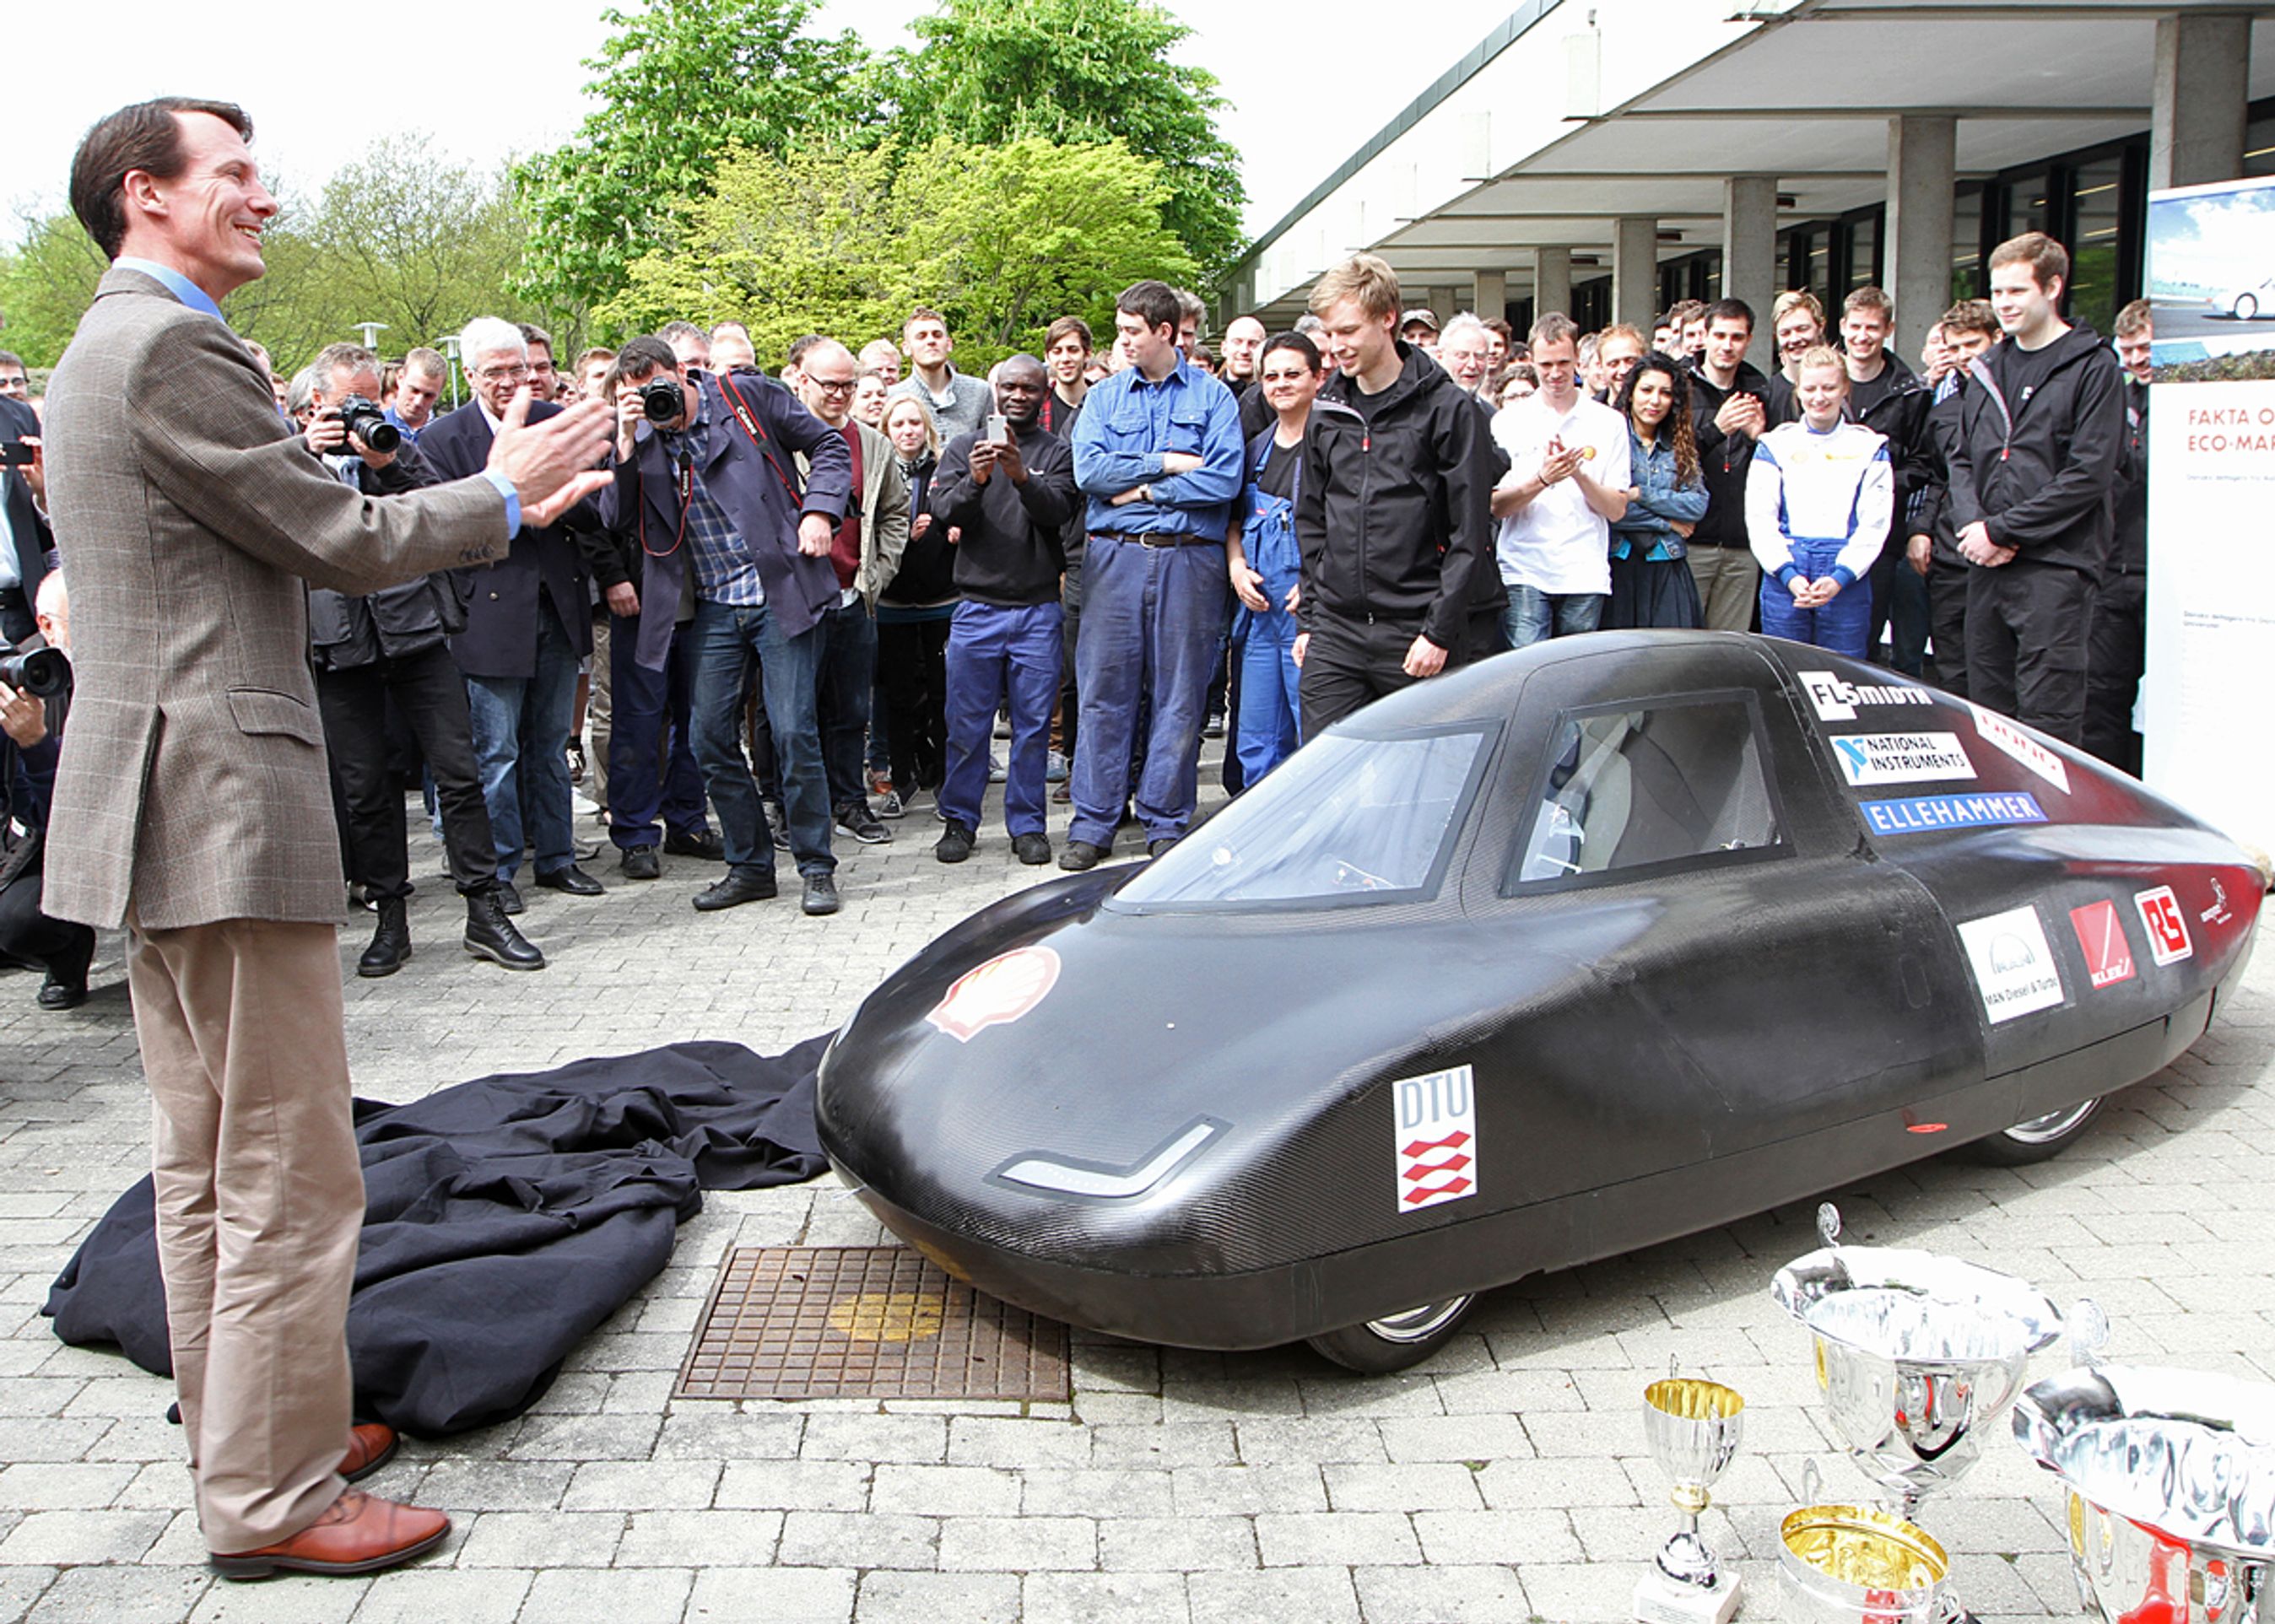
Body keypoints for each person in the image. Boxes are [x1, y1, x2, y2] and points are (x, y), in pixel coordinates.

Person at [43, 95, 610, 1578]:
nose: (265, 197)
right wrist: (508, 490)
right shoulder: (167, 344)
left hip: (161, 805)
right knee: (290, 1172)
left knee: (210, 1163)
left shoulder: (116, 342)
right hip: (219, 803)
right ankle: (276, 1497)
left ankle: (253, 1434)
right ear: (145, 196)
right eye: (233, 173)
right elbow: (341, 543)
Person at [301, 343, 541, 975]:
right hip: (339, 640)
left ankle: (485, 909)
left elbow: (442, 503)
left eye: (368, 398)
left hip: (415, 629)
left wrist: (386, 459)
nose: (358, 412)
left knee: (459, 773)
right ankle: (390, 916)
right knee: (365, 789)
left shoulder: (400, 445)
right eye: (344, 402)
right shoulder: (292, 456)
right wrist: (305, 453)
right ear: (316, 403)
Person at [601, 335, 855, 915]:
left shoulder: (745, 396)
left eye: (659, 391)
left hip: (781, 588)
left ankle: (816, 866)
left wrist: (820, 510)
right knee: (707, 736)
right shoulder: (642, 437)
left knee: (793, 731)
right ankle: (751, 866)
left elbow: (830, 445)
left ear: (682, 373)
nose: (654, 405)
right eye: (639, 399)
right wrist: (624, 440)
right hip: (715, 602)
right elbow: (615, 517)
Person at [420, 318, 610, 914]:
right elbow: (436, 530)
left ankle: (558, 858)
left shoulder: (557, 424)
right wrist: (506, 505)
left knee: (551, 744)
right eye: (496, 372)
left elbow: (599, 509)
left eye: (519, 369)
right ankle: (497, 870)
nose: (511, 382)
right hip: (489, 615)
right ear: (470, 375)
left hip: (556, 603)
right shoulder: (443, 440)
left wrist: (560, 500)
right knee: (495, 753)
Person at [1063, 279, 1243, 868]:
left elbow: (1223, 480)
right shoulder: (1105, 397)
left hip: (1191, 559)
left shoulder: (1215, 399)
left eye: (1131, 331)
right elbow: (1090, 472)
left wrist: (1137, 489)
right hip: (1115, 558)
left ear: (1165, 332)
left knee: (1181, 693)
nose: (1122, 341)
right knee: (1103, 692)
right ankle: (1093, 822)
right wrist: (1163, 465)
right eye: (1120, 331)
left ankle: (1166, 819)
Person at [1297, 255, 1499, 733]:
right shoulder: (1326, 409)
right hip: (1336, 631)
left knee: (1424, 785)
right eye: (1329, 333)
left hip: (1417, 631)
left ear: (1388, 320)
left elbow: (1469, 531)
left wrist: (1438, 631)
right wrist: (1309, 619)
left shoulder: (1448, 409)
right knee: (1323, 779)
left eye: (1347, 331)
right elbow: (1311, 520)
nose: (1335, 347)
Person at [1945, 232, 2125, 744]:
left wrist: (2002, 530)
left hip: (2057, 567)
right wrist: (1975, 529)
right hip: (1984, 565)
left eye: (2017, 291)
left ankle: (2051, 825)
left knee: (2050, 718)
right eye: (1997, 292)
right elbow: (1960, 459)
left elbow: (2089, 473)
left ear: (2052, 287)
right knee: (1987, 713)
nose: (2004, 303)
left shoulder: (2093, 367)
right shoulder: (1987, 368)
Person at [929, 356, 1078, 865]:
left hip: (1037, 609)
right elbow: (944, 513)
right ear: (995, 390)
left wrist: (1020, 476)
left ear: (1045, 392)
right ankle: (960, 821)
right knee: (966, 725)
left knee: (1033, 727)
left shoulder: (1057, 452)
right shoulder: (961, 448)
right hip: (976, 609)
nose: (1019, 395)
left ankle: (1028, 825)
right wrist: (975, 480)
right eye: (1009, 386)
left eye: (1030, 388)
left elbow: (1059, 511)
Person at [791, 337, 909, 848]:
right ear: (802, 381)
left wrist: (876, 574)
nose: (840, 394)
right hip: (794, 601)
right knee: (792, 714)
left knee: (850, 711)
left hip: (852, 597)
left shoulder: (874, 445)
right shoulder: (779, 440)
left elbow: (894, 513)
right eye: (830, 385)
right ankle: (791, 809)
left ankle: (849, 802)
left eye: (848, 385)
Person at [1490, 312, 1630, 647]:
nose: (1555, 374)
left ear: (1578, 361)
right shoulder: (1508, 421)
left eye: (1563, 363)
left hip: (1584, 571)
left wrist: (1578, 473)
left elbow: (1616, 510)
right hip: (1523, 567)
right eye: (1546, 365)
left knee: (1573, 678)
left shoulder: (1608, 422)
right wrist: (1542, 478)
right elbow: (1495, 506)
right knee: (1524, 674)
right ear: (1532, 363)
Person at [1747, 346, 1892, 656]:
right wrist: (1788, 575)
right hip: (1786, 574)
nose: (1819, 397)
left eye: (1829, 388)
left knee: (1843, 674)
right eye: (1810, 388)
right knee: (1786, 671)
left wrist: (1840, 577)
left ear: (1845, 389)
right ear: (1798, 390)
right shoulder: (1775, 444)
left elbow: (1874, 523)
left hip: (1845, 575)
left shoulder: (1869, 446)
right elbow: (1760, 519)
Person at [0, 571, 97, 1009]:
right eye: (83, 621)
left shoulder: (121, 672)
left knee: (20, 923)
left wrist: (36, 745)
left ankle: (68, 949)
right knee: (13, 926)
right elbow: (27, 815)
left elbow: (65, 817)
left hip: (99, 838)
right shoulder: (19, 678)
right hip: (32, 844)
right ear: (46, 625)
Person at [1227, 332, 1320, 782]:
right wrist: (1236, 567)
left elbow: (1354, 527)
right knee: (1258, 737)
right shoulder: (1255, 449)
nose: (1280, 384)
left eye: (1292, 374)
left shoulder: (1335, 444)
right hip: (1260, 617)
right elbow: (1232, 521)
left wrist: (1318, 582)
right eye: (1271, 376)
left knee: (1314, 736)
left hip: (1311, 617)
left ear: (1318, 378)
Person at [875, 397, 954, 817]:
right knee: (898, 696)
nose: (908, 431)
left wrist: (943, 527)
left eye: (915, 423)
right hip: (893, 600)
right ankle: (901, 777)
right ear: (886, 429)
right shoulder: (877, 470)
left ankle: (944, 779)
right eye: (898, 423)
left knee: (944, 695)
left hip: (941, 598)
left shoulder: (945, 470)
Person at [2083, 298, 2151, 774]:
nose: (2136, 361)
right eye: (2126, 351)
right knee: (2103, 694)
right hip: (2114, 569)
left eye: (2145, 348)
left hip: (2173, 574)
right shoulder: (2117, 404)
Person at [1684, 298, 1772, 632]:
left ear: (1749, 340)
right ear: (1704, 336)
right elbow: (1669, 460)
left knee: (1728, 647)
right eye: (1720, 336)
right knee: (1682, 645)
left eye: (1737, 337)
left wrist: (1756, 439)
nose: (1727, 346)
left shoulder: (1762, 391)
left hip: (1742, 545)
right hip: (1693, 541)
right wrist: (1716, 430)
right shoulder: (1681, 389)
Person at [1606, 353, 1707, 630]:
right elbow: (1611, 510)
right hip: (1619, 564)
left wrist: (1640, 495)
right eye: (1647, 390)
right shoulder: (1610, 437)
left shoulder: (1679, 443)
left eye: (1665, 393)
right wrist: (1667, 522)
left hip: (1667, 563)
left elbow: (1697, 505)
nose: (1655, 400)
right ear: (1630, 393)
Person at [888, 307, 990, 442]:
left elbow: (994, 446)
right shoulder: (893, 397)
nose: (931, 341)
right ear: (906, 348)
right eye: (921, 336)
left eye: (937, 335)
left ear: (949, 344)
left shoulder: (980, 392)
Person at [382, 347, 448, 441]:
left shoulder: (447, 435)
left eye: (428, 396)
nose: (418, 402)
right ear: (400, 378)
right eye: (414, 390)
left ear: (439, 393)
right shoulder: (376, 427)